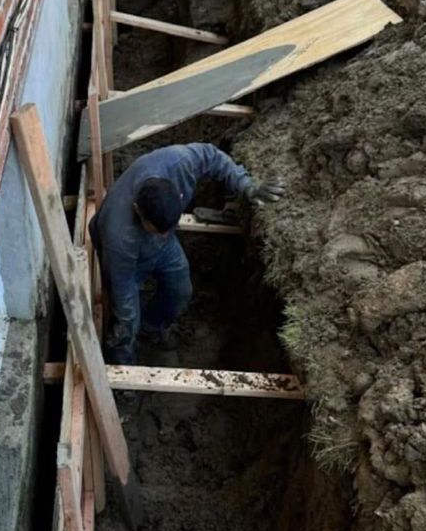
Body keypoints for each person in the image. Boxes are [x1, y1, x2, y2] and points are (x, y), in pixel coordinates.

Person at [88, 143, 284, 365]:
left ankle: (151, 328)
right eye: (155, 229)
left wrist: (247, 185)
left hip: (162, 243)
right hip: (129, 256)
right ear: (137, 210)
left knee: (180, 290)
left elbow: (212, 156)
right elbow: (123, 286)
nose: (160, 235)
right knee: (126, 319)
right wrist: (125, 316)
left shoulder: (178, 164)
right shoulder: (119, 236)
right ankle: (122, 368)